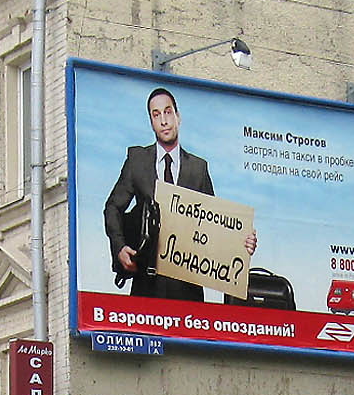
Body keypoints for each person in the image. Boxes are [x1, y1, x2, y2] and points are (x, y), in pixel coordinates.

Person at [103, 86, 255, 299]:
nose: (164, 120)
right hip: (146, 285)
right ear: (151, 123)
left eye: (167, 112)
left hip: (187, 290)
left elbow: (214, 226)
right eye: (156, 115)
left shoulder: (198, 169)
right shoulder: (137, 161)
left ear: (178, 117)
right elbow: (112, 207)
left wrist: (241, 242)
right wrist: (119, 247)